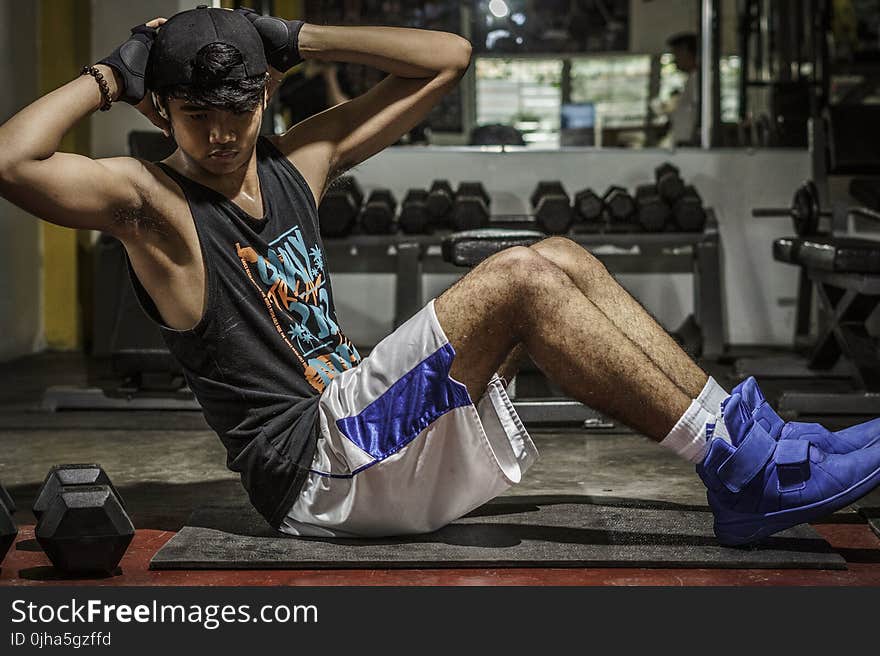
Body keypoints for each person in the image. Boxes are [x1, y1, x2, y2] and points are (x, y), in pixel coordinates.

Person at [1, 7, 879, 545]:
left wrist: (296, 37)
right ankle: (744, 471)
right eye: (197, 116)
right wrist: (111, 74)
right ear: (163, 109)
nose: (221, 136)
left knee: (560, 257)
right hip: (315, 467)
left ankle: (745, 440)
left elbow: (451, 56)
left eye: (238, 110)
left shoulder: (294, 164)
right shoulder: (154, 207)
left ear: (266, 94)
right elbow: (13, 159)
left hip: (361, 425)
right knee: (519, 282)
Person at [666, 32, 699, 147]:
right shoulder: (692, 79)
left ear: (685, 52)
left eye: (676, 54)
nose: (674, 60)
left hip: (690, 144)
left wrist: (694, 142)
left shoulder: (698, 81)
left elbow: (700, 113)